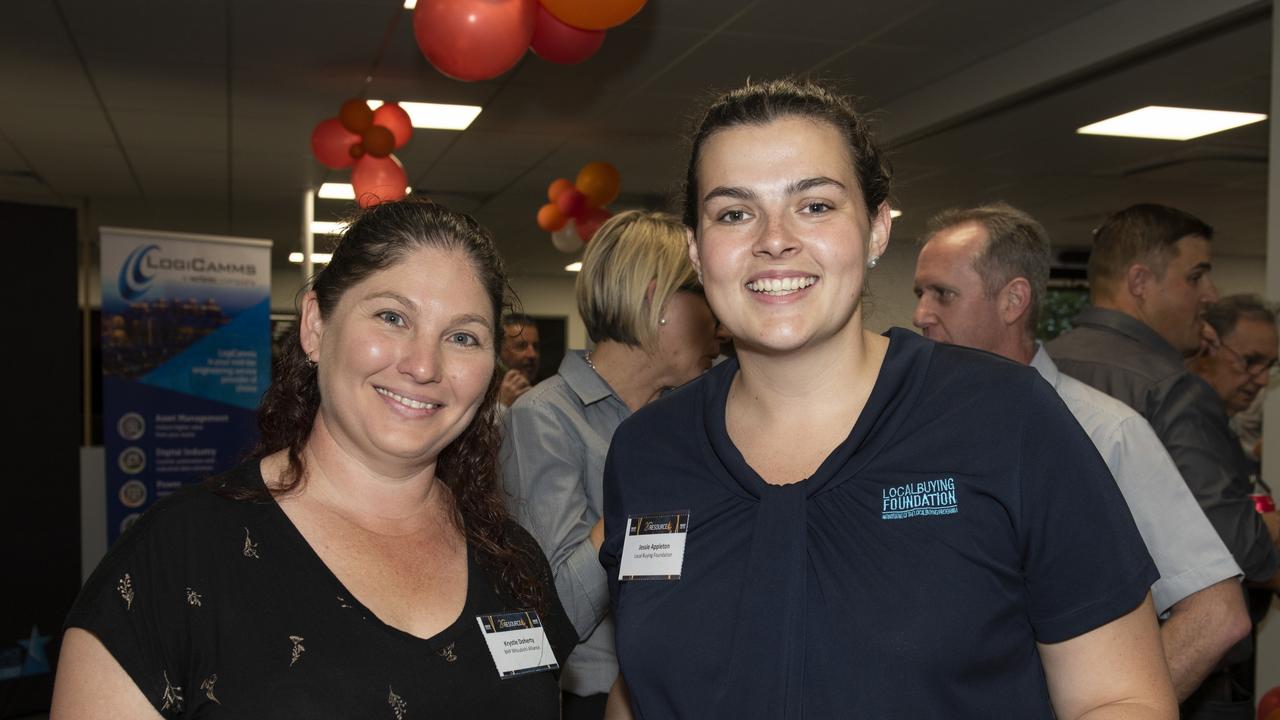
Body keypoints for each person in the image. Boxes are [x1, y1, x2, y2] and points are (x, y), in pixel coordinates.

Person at [600, 78, 1176, 719]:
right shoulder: (647, 449)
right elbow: (641, 690)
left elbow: (1122, 699)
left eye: (815, 205)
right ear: (696, 250)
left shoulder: (1004, 417)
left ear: (876, 230)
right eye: (734, 213)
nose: (774, 238)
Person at [52, 199, 576, 719]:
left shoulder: (513, 563)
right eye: (392, 317)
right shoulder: (177, 556)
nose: (423, 365)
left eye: (462, 337)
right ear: (315, 327)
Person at [911, 202, 1249, 702]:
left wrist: (1110, 707)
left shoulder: (1104, 431)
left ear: (1013, 301)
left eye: (943, 294)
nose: (920, 315)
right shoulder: (924, 425)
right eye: (920, 293)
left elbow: (1217, 613)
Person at [1046, 204, 1280, 718]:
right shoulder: (1174, 389)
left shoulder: (1045, 366)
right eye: (1196, 276)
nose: (1210, 295)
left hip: (1069, 665)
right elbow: (1241, 549)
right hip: (1180, 678)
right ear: (1140, 282)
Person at [502, 209, 721, 719]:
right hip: (595, 700)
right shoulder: (544, 419)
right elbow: (554, 616)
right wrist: (640, 501)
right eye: (707, 295)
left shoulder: (695, 413)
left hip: (691, 686)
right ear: (655, 301)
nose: (722, 321)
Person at [1190, 295, 1279, 418]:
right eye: (1250, 361)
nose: (1263, 381)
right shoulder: (1176, 426)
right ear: (1205, 351)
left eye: (1269, 366)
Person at [498, 313, 541, 409]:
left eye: (535, 346)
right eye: (521, 346)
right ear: (498, 351)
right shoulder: (479, 395)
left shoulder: (543, 395)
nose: (532, 354)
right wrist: (502, 405)